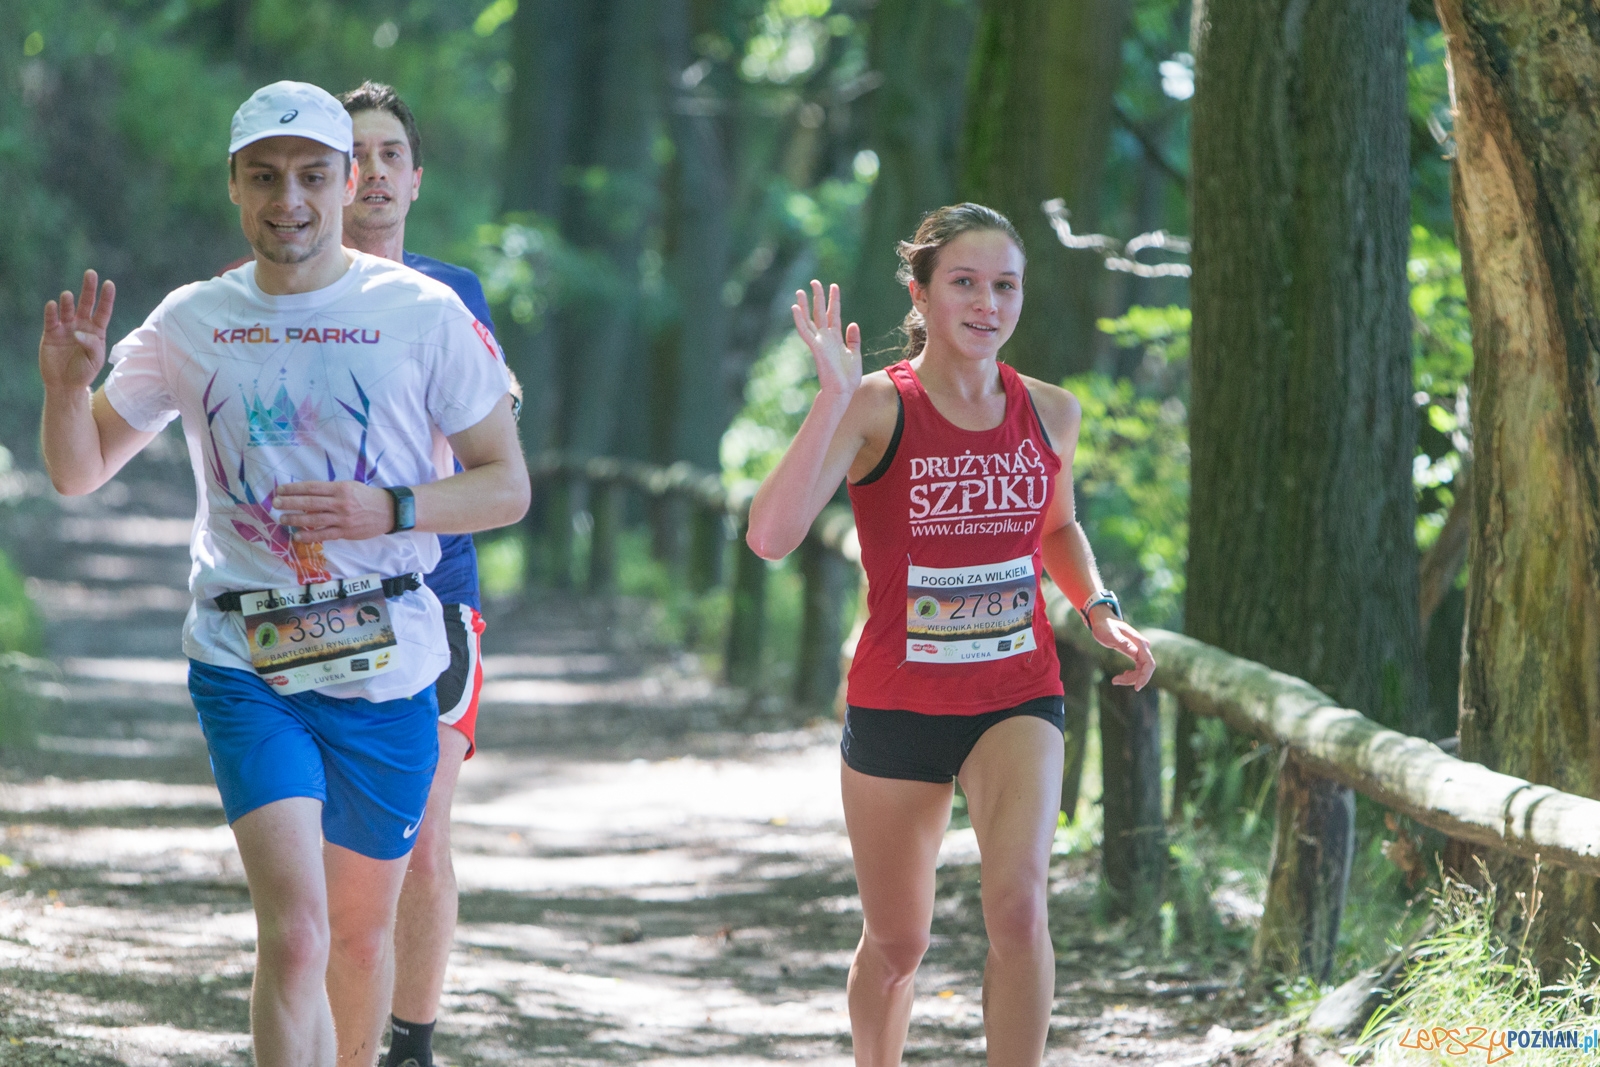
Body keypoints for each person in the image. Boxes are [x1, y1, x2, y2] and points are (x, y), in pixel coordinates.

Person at [36, 81, 529, 1067]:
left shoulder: (424, 313)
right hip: (244, 659)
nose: (288, 199)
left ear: (349, 182)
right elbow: (77, 469)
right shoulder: (194, 319)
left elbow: (506, 485)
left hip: (388, 667)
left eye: (311, 175)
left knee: (355, 939)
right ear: (234, 185)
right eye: (264, 177)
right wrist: (66, 390)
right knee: (296, 934)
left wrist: (390, 506)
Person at [745, 203, 1155, 1067]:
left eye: (1004, 285)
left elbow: (1055, 528)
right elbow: (771, 534)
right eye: (963, 283)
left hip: (1017, 691)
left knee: (1019, 908)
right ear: (920, 294)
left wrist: (1098, 605)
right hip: (898, 701)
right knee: (898, 946)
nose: (986, 303)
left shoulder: (1050, 411)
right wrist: (828, 397)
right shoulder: (872, 407)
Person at [336, 79, 508, 1067]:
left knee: (423, 832)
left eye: (390, 154)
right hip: (308, 594)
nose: (373, 174)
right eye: (351, 156)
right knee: (324, 839)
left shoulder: (454, 293)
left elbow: (493, 428)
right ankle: (322, 1029)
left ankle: (412, 1040)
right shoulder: (274, 294)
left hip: (435, 592)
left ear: (416, 177)